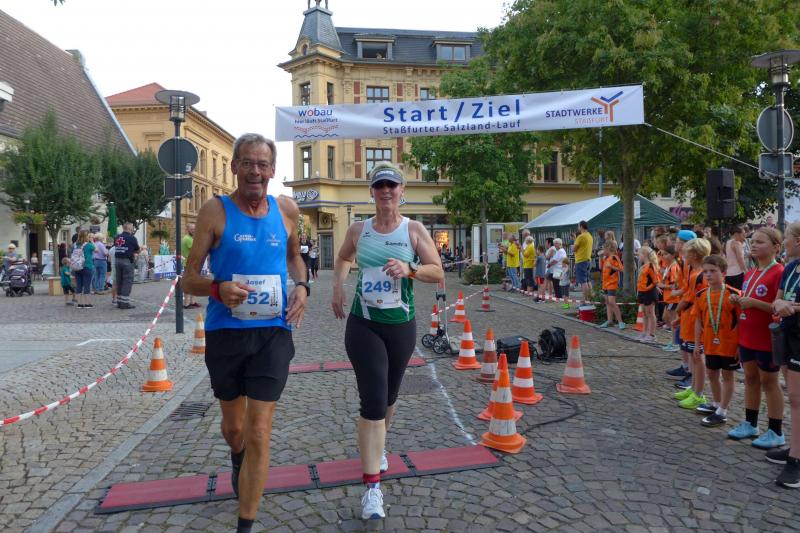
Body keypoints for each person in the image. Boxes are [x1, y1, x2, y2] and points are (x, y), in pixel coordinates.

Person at [182, 133, 308, 533]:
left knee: (259, 431)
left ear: (272, 170)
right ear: (235, 167)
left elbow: (295, 258)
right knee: (235, 429)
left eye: (262, 164)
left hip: (273, 332)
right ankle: (237, 457)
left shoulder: (286, 210)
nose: (255, 171)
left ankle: (245, 524)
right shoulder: (214, 211)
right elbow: (188, 279)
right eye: (248, 163)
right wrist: (217, 288)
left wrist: (302, 286)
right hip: (226, 333)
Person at [331, 162, 443, 520]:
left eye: (391, 186)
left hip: (400, 326)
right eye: (379, 185)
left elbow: (437, 271)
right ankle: (372, 489)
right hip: (364, 325)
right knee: (373, 402)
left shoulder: (414, 230)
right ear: (371, 191)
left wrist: (410, 269)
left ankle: (378, 444)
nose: (385, 191)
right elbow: (343, 257)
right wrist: (338, 286)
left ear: (401, 190)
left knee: (390, 398)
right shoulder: (358, 230)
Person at [727, 227, 784, 446]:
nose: (754, 245)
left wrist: (754, 303)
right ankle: (750, 423)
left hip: (766, 338)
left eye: (760, 242)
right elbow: (748, 299)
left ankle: (776, 431)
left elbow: (779, 307)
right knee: (750, 379)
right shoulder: (750, 273)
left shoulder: (779, 272)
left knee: (769, 382)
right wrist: (738, 300)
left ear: (776, 247)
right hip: (747, 336)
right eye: (753, 241)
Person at [693, 255, 741, 427]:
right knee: (712, 374)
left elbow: (741, 321)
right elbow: (698, 320)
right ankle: (716, 403)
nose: (708, 275)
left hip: (729, 344)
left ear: (724, 273)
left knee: (727, 375)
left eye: (713, 271)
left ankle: (723, 411)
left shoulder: (734, 295)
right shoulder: (701, 295)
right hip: (709, 343)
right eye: (705, 271)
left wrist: (739, 345)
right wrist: (697, 344)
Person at [769, 221, 800, 487]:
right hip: (787, 336)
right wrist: (780, 303)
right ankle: (795, 448)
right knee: (794, 398)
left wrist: (791, 307)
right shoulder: (790, 268)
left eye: (787, 237)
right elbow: (777, 300)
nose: (784, 242)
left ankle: (796, 461)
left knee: (798, 399)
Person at [674, 238, 712, 406]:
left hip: (694, 319)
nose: (684, 256)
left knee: (697, 357)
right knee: (692, 356)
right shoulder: (695, 272)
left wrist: (677, 310)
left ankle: (698, 393)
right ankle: (694, 387)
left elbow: (689, 298)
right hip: (688, 319)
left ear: (695, 255)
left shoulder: (699, 275)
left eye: (686, 253)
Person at [636, 246, 661, 343]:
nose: (638, 257)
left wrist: (647, 288)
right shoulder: (644, 266)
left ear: (644, 255)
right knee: (644, 313)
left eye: (639, 255)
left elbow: (655, 281)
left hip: (649, 292)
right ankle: (644, 332)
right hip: (642, 292)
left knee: (650, 313)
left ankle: (652, 334)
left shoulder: (651, 266)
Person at [659, 244, 681, 351]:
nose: (663, 256)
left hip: (673, 298)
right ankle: (674, 341)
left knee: (673, 321)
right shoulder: (669, 266)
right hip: (668, 298)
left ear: (672, 255)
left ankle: (676, 343)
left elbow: (674, 285)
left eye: (665, 254)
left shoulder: (673, 267)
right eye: (662, 254)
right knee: (666, 318)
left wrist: (662, 285)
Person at [114, 222, 140, 309]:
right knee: (127, 281)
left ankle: (119, 302)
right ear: (129, 228)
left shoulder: (117, 237)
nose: (133, 229)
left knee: (119, 281)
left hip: (117, 260)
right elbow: (137, 250)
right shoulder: (132, 238)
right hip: (127, 261)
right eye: (132, 228)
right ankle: (124, 303)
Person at [599, 241, 625, 329]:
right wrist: (600, 257)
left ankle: (620, 321)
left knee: (612, 302)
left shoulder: (614, 257)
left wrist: (611, 266)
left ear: (608, 249)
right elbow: (600, 267)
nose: (603, 251)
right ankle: (609, 321)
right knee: (607, 302)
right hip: (605, 284)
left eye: (604, 249)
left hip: (612, 283)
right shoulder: (606, 258)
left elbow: (621, 269)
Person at [73, 230, 95, 309]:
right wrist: (92, 241)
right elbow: (96, 250)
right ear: (87, 237)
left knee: (79, 285)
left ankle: (79, 304)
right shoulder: (89, 245)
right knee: (87, 285)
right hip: (87, 266)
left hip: (77, 266)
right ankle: (87, 303)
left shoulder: (75, 245)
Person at [574, 220, 593, 303]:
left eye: (578, 226)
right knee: (588, 280)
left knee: (583, 281)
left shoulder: (581, 236)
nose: (578, 228)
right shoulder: (589, 236)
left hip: (581, 260)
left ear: (581, 226)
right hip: (588, 259)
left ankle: (585, 299)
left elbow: (574, 248)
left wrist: (573, 247)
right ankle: (589, 298)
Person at [182, 223, 199, 308]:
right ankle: (187, 303)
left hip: (191, 263)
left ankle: (192, 301)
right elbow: (196, 250)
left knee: (193, 283)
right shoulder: (188, 239)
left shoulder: (188, 238)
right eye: (192, 229)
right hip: (190, 264)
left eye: (195, 229)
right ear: (188, 229)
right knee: (189, 283)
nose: (194, 230)